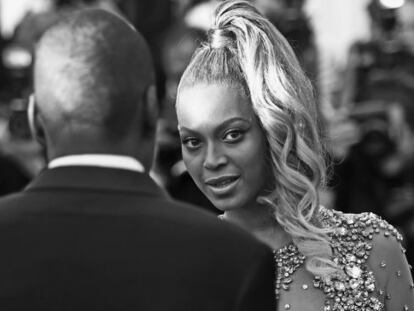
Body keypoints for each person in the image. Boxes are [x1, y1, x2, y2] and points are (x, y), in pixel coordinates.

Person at [0, 9, 276, 310]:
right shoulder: (237, 262)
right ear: (149, 108)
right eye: (193, 141)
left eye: (233, 135)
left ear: (34, 119)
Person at [175, 1, 414, 310]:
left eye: (232, 134)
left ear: (275, 127)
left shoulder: (372, 247)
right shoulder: (180, 267)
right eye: (192, 141)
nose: (211, 159)